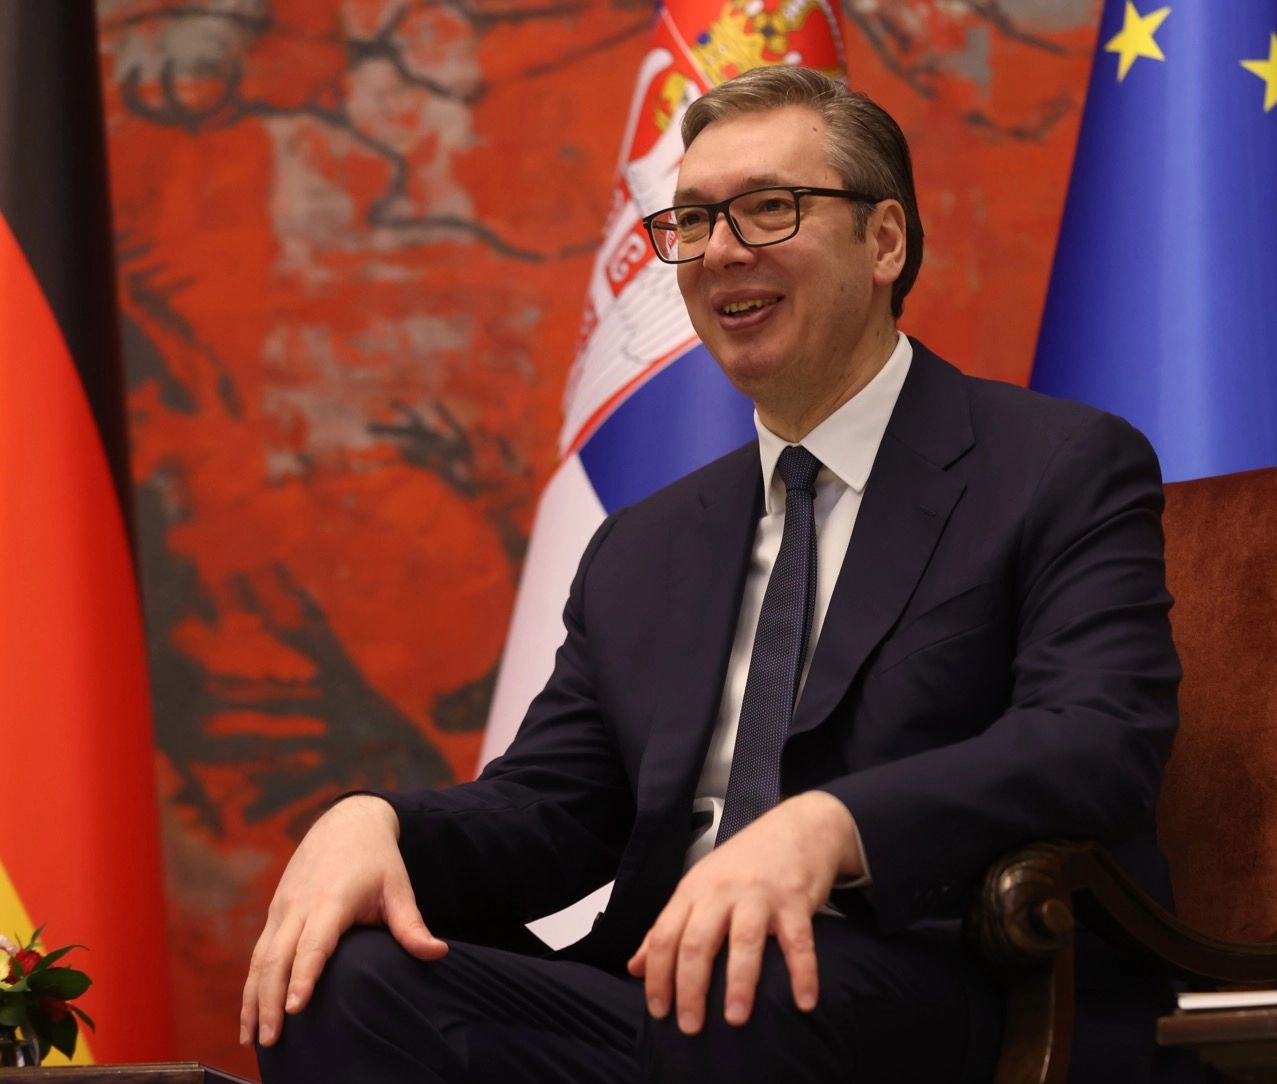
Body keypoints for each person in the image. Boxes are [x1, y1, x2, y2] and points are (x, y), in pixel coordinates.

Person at [241, 64, 1182, 1083]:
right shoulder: (643, 547)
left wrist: (836, 828)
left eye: (769, 208)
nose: (722, 250)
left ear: (884, 242)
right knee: (337, 981)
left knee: (739, 975)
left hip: (942, 981)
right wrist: (374, 820)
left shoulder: (1054, 465)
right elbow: (552, 811)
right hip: (671, 992)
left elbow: (1094, 738)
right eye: (692, 220)